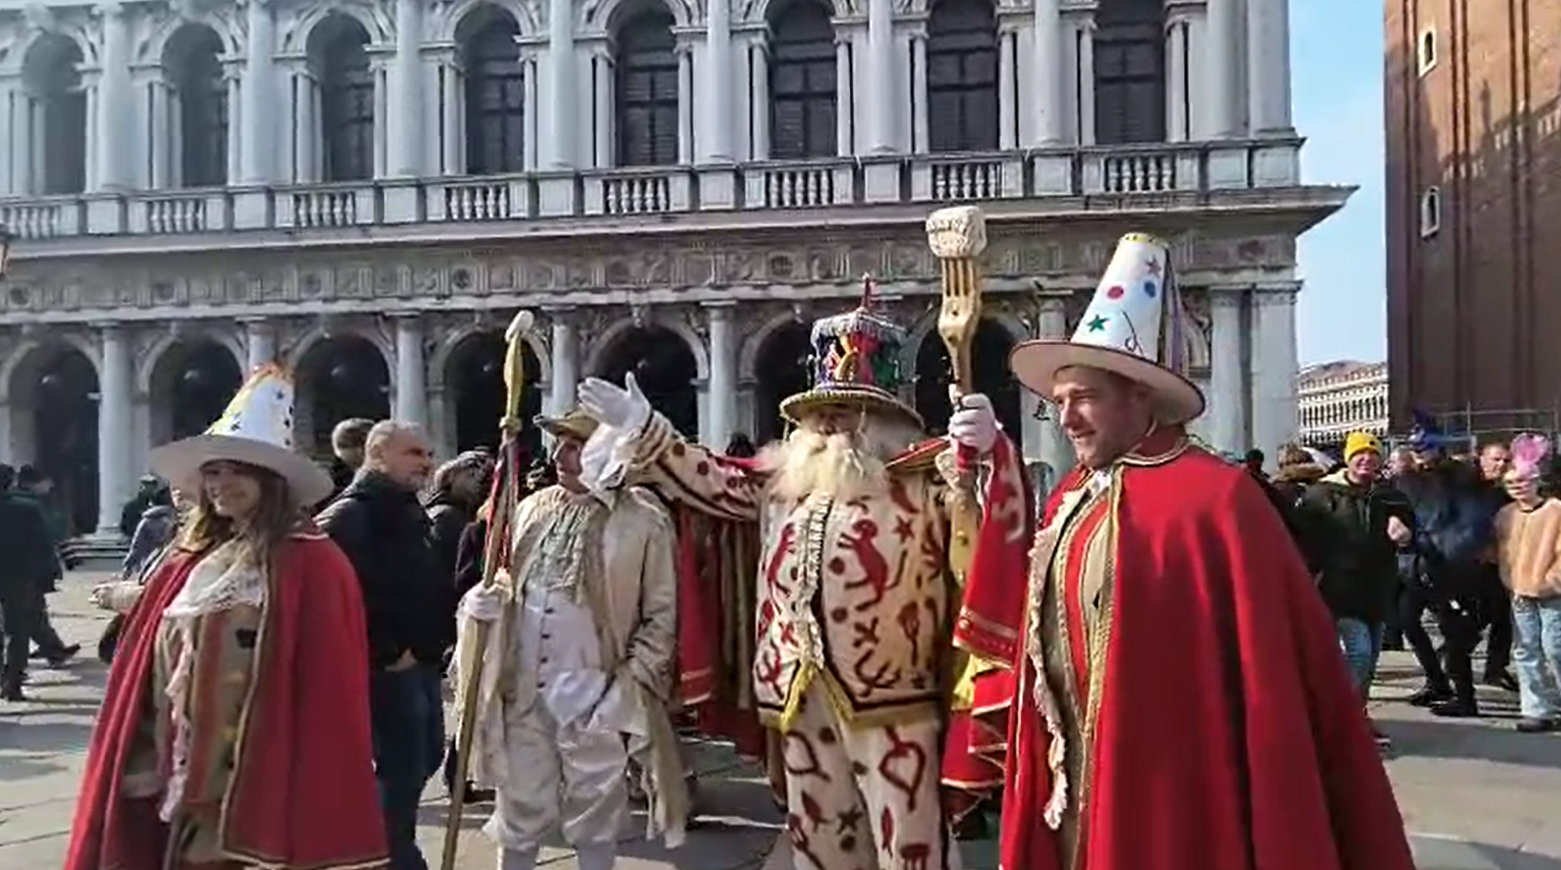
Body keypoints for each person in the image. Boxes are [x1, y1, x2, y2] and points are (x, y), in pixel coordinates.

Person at [952, 234, 1415, 870]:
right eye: (1057, 403)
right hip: (1073, 799)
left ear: (1140, 395)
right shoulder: (1070, 495)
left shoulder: (1218, 501)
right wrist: (988, 470)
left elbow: (1274, 686)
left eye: (1083, 397)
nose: (1067, 420)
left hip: (1179, 806)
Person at [576, 278, 1021, 870]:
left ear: (884, 418)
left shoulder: (927, 481)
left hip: (894, 699)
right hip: (795, 692)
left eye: (848, 413)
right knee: (818, 836)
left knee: (909, 845)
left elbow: (990, 534)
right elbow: (714, 482)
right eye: (821, 414)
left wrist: (991, 457)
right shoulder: (783, 487)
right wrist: (649, 431)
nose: (832, 426)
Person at [64, 363, 387, 870]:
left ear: (271, 477)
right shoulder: (186, 558)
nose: (221, 482)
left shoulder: (312, 562)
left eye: (236, 468)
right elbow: (149, 668)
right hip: (172, 776)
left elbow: (327, 691)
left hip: (257, 779)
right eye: (212, 471)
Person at [454, 409, 685, 870]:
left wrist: (623, 691)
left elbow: (660, 617)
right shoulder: (530, 508)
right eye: (560, 443)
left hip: (595, 692)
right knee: (518, 810)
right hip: (523, 691)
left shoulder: (643, 521)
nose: (560, 455)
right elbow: (509, 583)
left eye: (576, 445)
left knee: (596, 814)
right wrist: (482, 606)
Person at [316, 421, 445, 870]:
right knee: (400, 770)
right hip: (386, 669)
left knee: (426, 757)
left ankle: (382, 846)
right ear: (377, 454)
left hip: (421, 662)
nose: (427, 463)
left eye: (428, 454)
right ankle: (393, 858)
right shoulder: (350, 514)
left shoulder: (408, 508)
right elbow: (332, 596)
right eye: (414, 453)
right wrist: (386, 652)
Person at [1292, 431, 1415, 747]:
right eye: (1360, 454)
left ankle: (1355, 715)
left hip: (1377, 587)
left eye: (1372, 456)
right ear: (1348, 458)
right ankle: (1341, 719)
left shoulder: (1389, 496)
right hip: (1337, 588)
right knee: (1359, 654)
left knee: (1371, 659)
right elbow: (1301, 538)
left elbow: (1412, 527)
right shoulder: (1323, 494)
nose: (1366, 460)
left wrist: (1405, 533)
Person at [1492, 434, 1561, 733]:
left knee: (1555, 647)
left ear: (1536, 481)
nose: (1519, 488)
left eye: (1523, 481)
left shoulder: (1556, 511)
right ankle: (1536, 709)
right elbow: (1500, 551)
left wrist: (1552, 581)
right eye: (1512, 484)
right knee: (1525, 649)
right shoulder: (1505, 515)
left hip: (1551, 592)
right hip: (1519, 592)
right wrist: (1508, 578)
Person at [0, 464, 68, 701]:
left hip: (17, 577)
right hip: (19, 578)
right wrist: (44, 576)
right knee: (16, 631)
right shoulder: (27, 509)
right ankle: (13, 682)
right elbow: (42, 546)